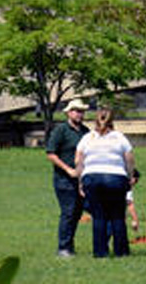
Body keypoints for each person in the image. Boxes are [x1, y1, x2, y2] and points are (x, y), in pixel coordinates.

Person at [75, 108, 136, 258]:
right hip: (116, 178)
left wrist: (80, 182)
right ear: (112, 121)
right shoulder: (120, 138)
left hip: (92, 178)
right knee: (117, 216)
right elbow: (129, 160)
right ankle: (121, 252)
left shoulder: (87, 138)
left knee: (99, 217)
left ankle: (100, 252)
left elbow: (78, 161)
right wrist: (129, 176)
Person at [45, 98, 90, 257]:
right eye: (76, 111)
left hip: (81, 180)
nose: (79, 114)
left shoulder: (86, 132)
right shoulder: (60, 130)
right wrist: (68, 170)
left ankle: (69, 245)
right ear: (69, 113)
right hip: (64, 180)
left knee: (77, 213)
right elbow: (51, 154)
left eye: (81, 111)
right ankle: (63, 247)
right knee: (68, 212)